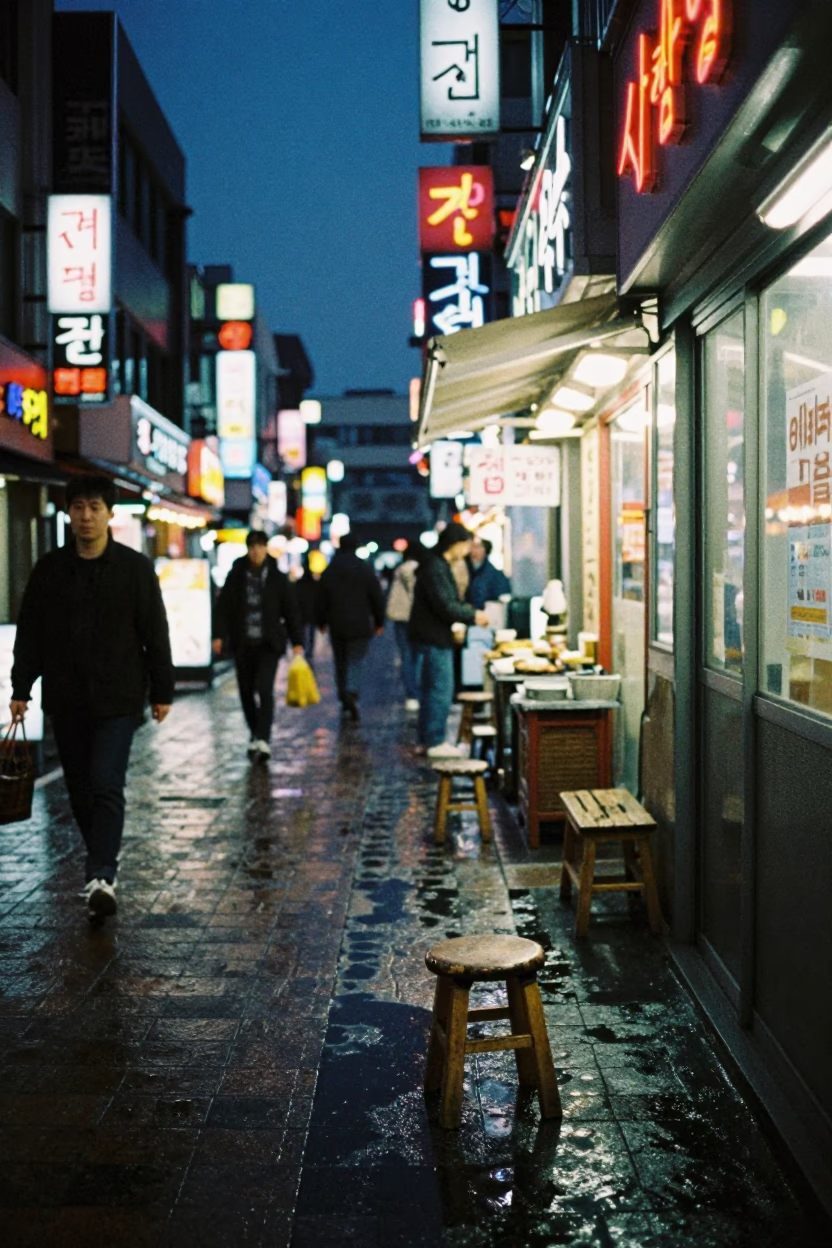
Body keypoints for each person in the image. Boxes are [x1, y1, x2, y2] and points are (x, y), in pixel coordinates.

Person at [9, 475, 173, 920]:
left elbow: (155, 632)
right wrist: (20, 687)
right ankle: (99, 864)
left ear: (110, 513)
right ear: (68, 512)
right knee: (79, 790)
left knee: (105, 781)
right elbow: (32, 633)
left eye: (94, 507)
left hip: (119, 698)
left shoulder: (135, 569)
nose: (86, 516)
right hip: (66, 697)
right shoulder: (51, 570)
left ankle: (102, 872)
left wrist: (162, 690)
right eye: (78, 506)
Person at [212, 531, 304, 760]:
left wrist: (298, 642)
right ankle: (255, 733)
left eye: (260, 546)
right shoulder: (236, 575)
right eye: (252, 547)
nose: (256, 551)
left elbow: (290, 610)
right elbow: (223, 607)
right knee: (245, 692)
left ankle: (263, 738)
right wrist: (219, 635)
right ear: (248, 549)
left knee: (264, 690)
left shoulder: (277, 577)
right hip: (243, 642)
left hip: (268, 644)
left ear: (266, 548)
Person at [409, 522, 490, 757]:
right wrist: (473, 615)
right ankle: (434, 741)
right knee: (440, 688)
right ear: (454, 544)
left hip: (430, 634)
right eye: (465, 545)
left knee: (431, 688)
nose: (466, 551)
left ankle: (428, 739)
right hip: (433, 636)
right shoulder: (436, 567)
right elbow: (445, 604)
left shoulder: (436, 565)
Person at [317, 534, 385, 721]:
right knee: (355, 659)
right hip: (360, 623)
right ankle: (351, 691)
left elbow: (322, 598)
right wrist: (380, 621)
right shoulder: (364, 569)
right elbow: (376, 596)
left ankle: (343, 694)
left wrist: (321, 621)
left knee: (340, 660)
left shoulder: (331, 569)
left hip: (337, 622)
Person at [385, 540, 424, 711]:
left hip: (400, 618)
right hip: (416, 618)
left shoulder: (400, 569)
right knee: (417, 656)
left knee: (406, 656)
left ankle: (412, 694)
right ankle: (417, 693)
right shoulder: (418, 570)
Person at [466, 535, 511, 610]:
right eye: (471, 547)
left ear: (486, 550)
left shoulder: (496, 576)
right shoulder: (465, 570)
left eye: (477, 547)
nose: (473, 551)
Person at [294, 553, 322, 667]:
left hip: (302, 614)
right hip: (311, 615)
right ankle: (309, 655)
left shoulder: (298, 584)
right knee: (310, 636)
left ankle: (305, 653)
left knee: (304, 635)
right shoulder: (314, 583)